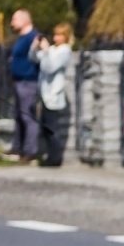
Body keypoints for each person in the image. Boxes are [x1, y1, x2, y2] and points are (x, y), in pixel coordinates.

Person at [35, 22, 73, 167]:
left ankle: (55, 158)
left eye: (60, 35)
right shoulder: (52, 49)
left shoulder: (64, 51)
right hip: (44, 95)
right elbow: (34, 59)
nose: (56, 38)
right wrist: (35, 46)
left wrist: (46, 51)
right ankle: (50, 156)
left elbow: (50, 67)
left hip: (53, 95)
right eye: (55, 34)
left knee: (52, 129)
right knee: (45, 128)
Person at [6, 8, 40, 161]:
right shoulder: (22, 37)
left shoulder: (34, 37)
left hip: (28, 81)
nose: (12, 23)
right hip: (18, 80)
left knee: (28, 116)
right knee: (18, 116)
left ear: (25, 20)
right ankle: (17, 148)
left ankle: (30, 151)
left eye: (15, 19)